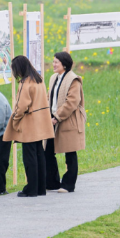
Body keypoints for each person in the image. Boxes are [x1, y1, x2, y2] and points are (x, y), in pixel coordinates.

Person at [3, 55, 54, 198]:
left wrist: (15, 120)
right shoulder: (39, 79)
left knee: (29, 158)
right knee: (39, 156)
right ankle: (40, 188)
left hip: (29, 123)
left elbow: (21, 106)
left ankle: (31, 189)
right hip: (41, 122)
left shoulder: (25, 83)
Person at [44, 52, 86, 193]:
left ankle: (68, 184)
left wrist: (57, 117)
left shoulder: (74, 80)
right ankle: (52, 182)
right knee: (47, 150)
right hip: (52, 119)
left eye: (57, 62)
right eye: (53, 61)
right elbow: (49, 96)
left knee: (70, 152)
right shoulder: (53, 78)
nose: (54, 64)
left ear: (65, 64)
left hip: (67, 120)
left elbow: (72, 102)